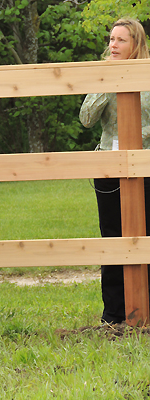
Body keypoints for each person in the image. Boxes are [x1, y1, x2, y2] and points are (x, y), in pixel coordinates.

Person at [79, 18, 150, 324]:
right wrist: (107, 83)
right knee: (112, 237)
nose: (113, 45)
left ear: (136, 44)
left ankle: (145, 310)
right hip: (108, 164)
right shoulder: (102, 74)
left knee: (144, 236)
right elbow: (86, 119)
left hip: (145, 164)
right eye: (111, 39)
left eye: (121, 40)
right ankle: (114, 313)